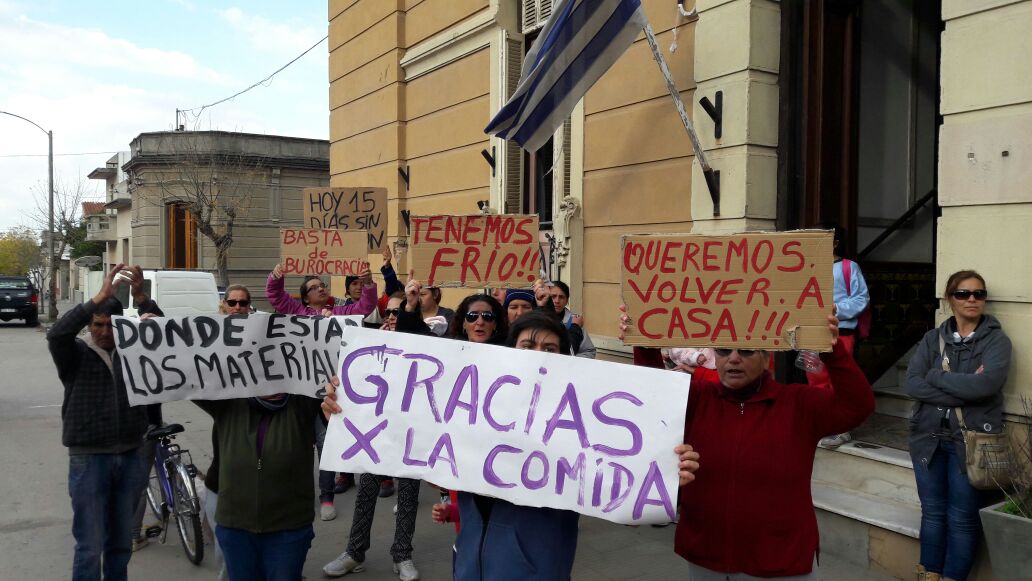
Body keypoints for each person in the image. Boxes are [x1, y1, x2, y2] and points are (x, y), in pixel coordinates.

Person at [320, 312, 700, 581]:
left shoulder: (578, 425)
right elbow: (401, 424)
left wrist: (663, 475)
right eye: (527, 344)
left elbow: (632, 501)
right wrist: (347, 405)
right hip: (469, 565)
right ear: (510, 350)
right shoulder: (475, 406)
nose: (537, 353)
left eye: (550, 349)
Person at [622, 307, 874, 580]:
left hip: (781, 560)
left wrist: (830, 348)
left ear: (767, 358)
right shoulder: (697, 396)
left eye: (746, 350)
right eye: (723, 351)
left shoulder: (799, 403)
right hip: (707, 555)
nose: (733, 359)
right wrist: (644, 341)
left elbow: (857, 406)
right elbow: (655, 389)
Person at [48, 263, 162, 581]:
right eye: (98, 324)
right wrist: (99, 297)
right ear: (90, 323)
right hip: (89, 459)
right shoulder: (74, 353)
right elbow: (57, 333)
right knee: (89, 546)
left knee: (119, 544)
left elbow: (167, 336)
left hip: (130, 455)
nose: (104, 332)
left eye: (112, 326)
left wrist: (141, 297)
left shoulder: (132, 350)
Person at [905, 270, 1010, 581]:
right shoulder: (931, 339)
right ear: (950, 299)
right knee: (933, 514)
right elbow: (912, 384)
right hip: (928, 438)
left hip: (972, 442)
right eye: (964, 294)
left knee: (962, 518)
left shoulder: (996, 341)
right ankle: (929, 576)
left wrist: (936, 376)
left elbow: (986, 386)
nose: (972, 299)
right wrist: (964, 387)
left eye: (979, 293)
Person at [322, 293, 422, 581]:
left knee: (408, 496)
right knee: (365, 492)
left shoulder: (420, 346)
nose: (392, 317)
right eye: (388, 312)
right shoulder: (366, 346)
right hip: (373, 437)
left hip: (409, 437)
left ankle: (402, 554)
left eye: (398, 312)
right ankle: (355, 552)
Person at [814, 223, 871, 448]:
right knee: (816, 379)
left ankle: (841, 427)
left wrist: (836, 308)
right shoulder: (807, 267)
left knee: (838, 377)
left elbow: (860, 298)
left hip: (842, 331)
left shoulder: (848, 267)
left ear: (836, 243)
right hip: (812, 330)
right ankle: (821, 422)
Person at [266, 262, 377, 317]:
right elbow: (277, 297)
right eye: (314, 288)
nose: (320, 289)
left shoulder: (340, 312)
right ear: (305, 298)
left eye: (322, 285)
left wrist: (367, 284)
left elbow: (364, 307)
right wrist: (275, 278)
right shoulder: (297, 312)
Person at [549, 281, 596, 358]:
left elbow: (589, 351)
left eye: (561, 297)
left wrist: (571, 363)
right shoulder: (537, 319)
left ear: (567, 301)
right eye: (553, 296)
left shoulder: (575, 320)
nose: (557, 301)